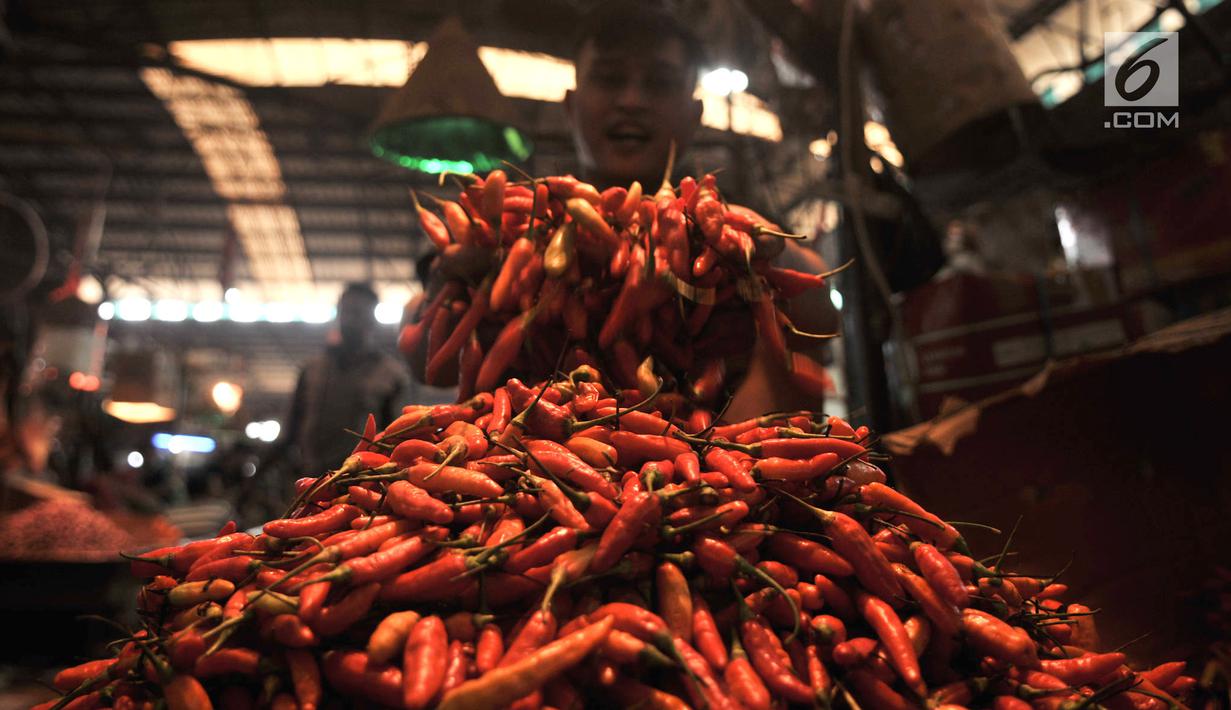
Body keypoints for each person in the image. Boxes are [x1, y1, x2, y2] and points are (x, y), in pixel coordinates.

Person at [410, 2, 839, 419]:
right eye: (611, 79)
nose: (632, 100)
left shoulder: (732, 230)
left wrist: (765, 249)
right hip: (531, 476)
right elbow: (429, 365)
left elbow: (821, 315)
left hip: (706, 477)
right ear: (571, 107)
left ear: (694, 116)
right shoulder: (506, 227)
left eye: (659, 83)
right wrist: (453, 281)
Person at [280, 283, 409, 475]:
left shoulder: (391, 374)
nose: (349, 319)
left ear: (371, 319)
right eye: (345, 311)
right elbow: (291, 428)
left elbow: (396, 436)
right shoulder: (312, 369)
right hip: (310, 476)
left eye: (357, 312)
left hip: (361, 480)